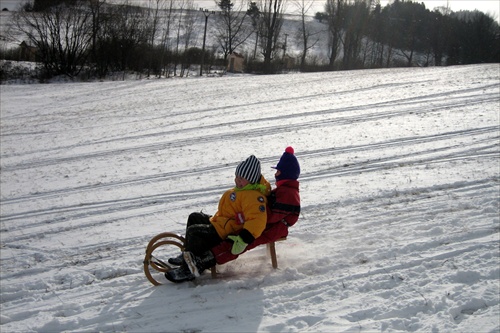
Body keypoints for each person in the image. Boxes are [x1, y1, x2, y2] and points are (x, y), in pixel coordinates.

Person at [165, 154, 271, 283]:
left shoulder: (254, 197)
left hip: (226, 232)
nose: (237, 180)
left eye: (241, 178)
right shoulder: (243, 190)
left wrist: (244, 239)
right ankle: (190, 254)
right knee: (194, 217)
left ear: (252, 180)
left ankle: (189, 270)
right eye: (236, 176)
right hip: (220, 223)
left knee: (194, 231)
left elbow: (257, 220)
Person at [210, 146, 300, 265]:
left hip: (275, 228)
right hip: (269, 225)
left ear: (287, 174)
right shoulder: (284, 190)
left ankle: (212, 258)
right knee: (240, 230)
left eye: (278, 171)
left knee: (242, 239)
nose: (275, 174)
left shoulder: (288, 193)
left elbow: (272, 216)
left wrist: (255, 208)